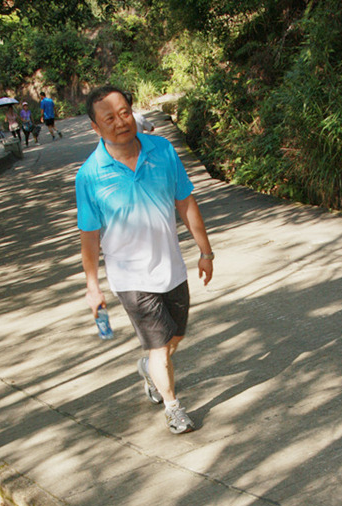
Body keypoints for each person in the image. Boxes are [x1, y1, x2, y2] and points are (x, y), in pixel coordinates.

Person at [75, 85, 215, 435]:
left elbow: (185, 201)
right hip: (131, 278)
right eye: (109, 118)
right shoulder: (89, 175)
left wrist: (205, 251)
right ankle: (173, 409)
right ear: (95, 127)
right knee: (159, 348)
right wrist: (92, 287)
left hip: (171, 268)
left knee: (174, 338)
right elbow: (89, 236)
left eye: (125, 113)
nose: (120, 122)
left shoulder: (162, 150)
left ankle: (148, 368)